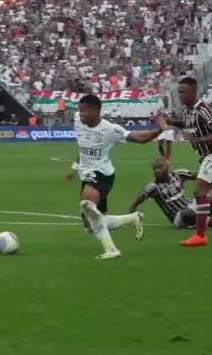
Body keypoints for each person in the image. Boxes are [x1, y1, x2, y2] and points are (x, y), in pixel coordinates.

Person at [66, 94, 168, 259]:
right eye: (80, 110)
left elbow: (138, 138)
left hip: (101, 174)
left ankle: (111, 249)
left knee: (86, 204)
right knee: (89, 224)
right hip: (86, 175)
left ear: (95, 111)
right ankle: (132, 219)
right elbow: (83, 146)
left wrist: (159, 130)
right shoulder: (78, 122)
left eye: (84, 111)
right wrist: (74, 167)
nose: (80, 114)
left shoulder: (110, 129)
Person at [170, 76, 212, 246]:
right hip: (205, 157)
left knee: (200, 190)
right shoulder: (186, 110)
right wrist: (170, 122)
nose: (180, 95)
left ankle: (200, 235)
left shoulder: (203, 109)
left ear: (194, 92)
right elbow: (188, 124)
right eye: (179, 92)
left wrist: (198, 140)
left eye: (184, 92)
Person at [128, 158, 212, 230]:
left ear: (167, 166)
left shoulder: (178, 174)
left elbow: (197, 176)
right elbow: (135, 202)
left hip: (191, 205)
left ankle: (201, 220)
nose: (157, 170)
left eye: (160, 167)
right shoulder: (152, 187)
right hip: (179, 217)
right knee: (188, 213)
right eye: (154, 169)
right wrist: (131, 218)